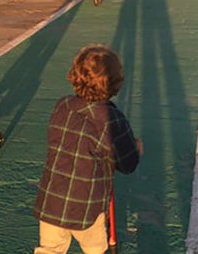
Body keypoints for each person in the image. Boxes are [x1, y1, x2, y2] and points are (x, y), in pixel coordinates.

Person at [34, 44, 142, 254]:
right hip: (87, 207)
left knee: (49, 249)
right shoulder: (112, 120)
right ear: (115, 84)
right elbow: (127, 164)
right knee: (95, 248)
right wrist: (137, 149)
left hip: (52, 202)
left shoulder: (62, 106)